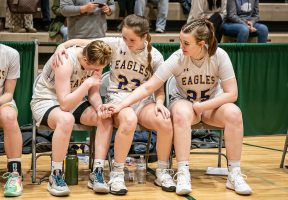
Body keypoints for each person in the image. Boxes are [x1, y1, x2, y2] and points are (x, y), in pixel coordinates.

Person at [103, 18, 253, 196]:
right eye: (181, 41)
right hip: (185, 102)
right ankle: (183, 172)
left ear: (202, 44)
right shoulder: (178, 58)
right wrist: (121, 105)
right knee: (181, 113)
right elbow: (148, 87)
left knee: (235, 113)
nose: (181, 46)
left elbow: (232, 94)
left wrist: (203, 106)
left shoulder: (219, 56)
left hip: (211, 105)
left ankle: (234, 173)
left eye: (186, 43)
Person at [55, 14, 175, 195]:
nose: (127, 42)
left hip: (143, 102)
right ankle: (117, 172)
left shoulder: (156, 56)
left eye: (132, 39)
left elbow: (157, 88)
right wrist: (62, 46)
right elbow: (84, 43)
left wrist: (159, 102)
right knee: (129, 119)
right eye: (124, 37)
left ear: (144, 37)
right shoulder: (115, 44)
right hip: (117, 99)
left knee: (165, 121)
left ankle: (163, 170)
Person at [31, 40, 113, 196]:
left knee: (105, 118)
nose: (99, 70)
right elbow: (65, 105)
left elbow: (94, 93)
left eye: (101, 68)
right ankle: (55, 175)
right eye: (96, 68)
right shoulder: (65, 61)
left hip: (74, 98)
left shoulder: (96, 54)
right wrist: (87, 83)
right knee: (66, 119)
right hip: (46, 100)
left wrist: (99, 107)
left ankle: (97, 171)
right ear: (86, 60)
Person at [0, 44, 23, 197]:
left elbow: (8, 92)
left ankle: (15, 174)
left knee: (9, 116)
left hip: (2, 101)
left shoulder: (10, 54)